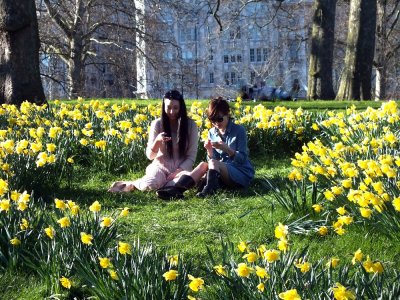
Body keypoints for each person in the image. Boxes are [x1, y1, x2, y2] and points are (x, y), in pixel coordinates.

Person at [156, 97, 255, 199]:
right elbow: (214, 161)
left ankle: (209, 191)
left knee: (213, 164)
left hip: (241, 172)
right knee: (203, 164)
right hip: (222, 173)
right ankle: (177, 190)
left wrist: (227, 149)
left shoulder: (239, 131)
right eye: (212, 120)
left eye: (219, 119)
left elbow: (242, 159)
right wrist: (209, 151)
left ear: (228, 114)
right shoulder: (212, 132)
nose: (216, 123)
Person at [109, 90, 198, 192]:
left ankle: (163, 184)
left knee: (179, 185)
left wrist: (178, 171)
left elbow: (191, 157)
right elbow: (150, 156)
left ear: (181, 108)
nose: (172, 112)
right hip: (160, 167)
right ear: (163, 107)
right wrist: (157, 141)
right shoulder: (157, 124)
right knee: (150, 186)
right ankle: (131, 183)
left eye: (175, 108)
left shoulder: (191, 126)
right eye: (168, 107)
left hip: (182, 169)